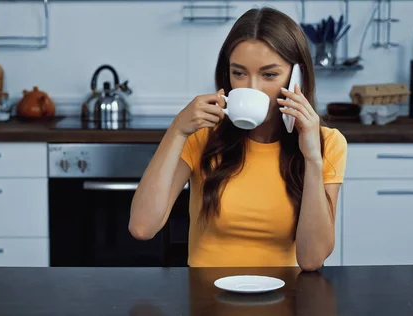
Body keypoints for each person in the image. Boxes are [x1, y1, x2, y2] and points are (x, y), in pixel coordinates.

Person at [129, 6, 347, 271]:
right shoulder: (202, 134)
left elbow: (312, 260)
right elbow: (142, 227)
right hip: (208, 300)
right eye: (239, 73)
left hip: (284, 300)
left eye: (269, 75)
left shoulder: (328, 143)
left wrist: (312, 157)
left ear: (295, 78)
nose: (251, 88)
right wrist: (177, 130)